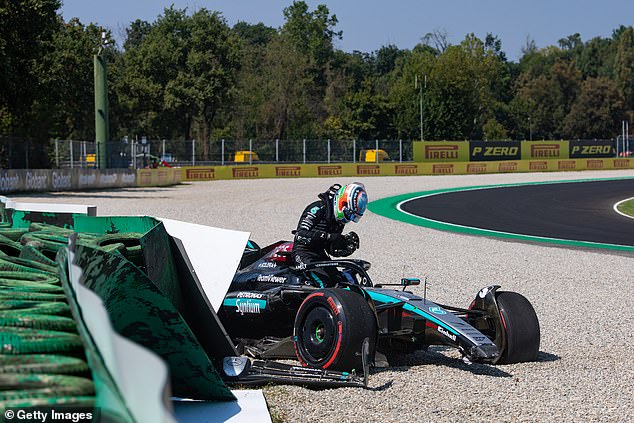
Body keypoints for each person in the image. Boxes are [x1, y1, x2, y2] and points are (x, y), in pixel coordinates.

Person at [292, 182, 368, 287]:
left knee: (341, 282)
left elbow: (330, 249)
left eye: (352, 217)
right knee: (325, 284)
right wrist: (329, 237)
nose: (349, 219)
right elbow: (299, 235)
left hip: (321, 255)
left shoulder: (338, 221)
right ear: (342, 203)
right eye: (349, 214)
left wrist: (344, 248)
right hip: (303, 253)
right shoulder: (317, 208)